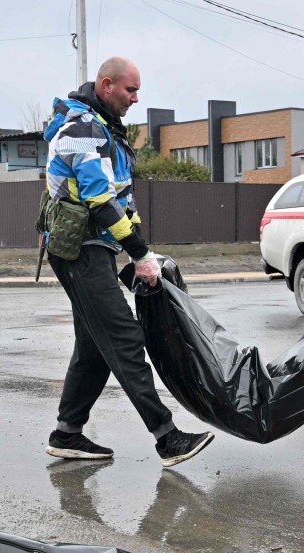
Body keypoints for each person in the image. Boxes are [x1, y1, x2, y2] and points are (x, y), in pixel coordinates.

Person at [42, 56, 214, 468]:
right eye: (130, 90)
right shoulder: (82, 130)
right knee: (123, 337)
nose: (136, 98)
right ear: (106, 85)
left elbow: (122, 201)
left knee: (94, 346)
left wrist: (141, 251)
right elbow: (99, 200)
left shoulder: (105, 129)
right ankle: (167, 437)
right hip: (78, 251)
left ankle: (67, 434)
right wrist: (138, 253)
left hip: (93, 248)